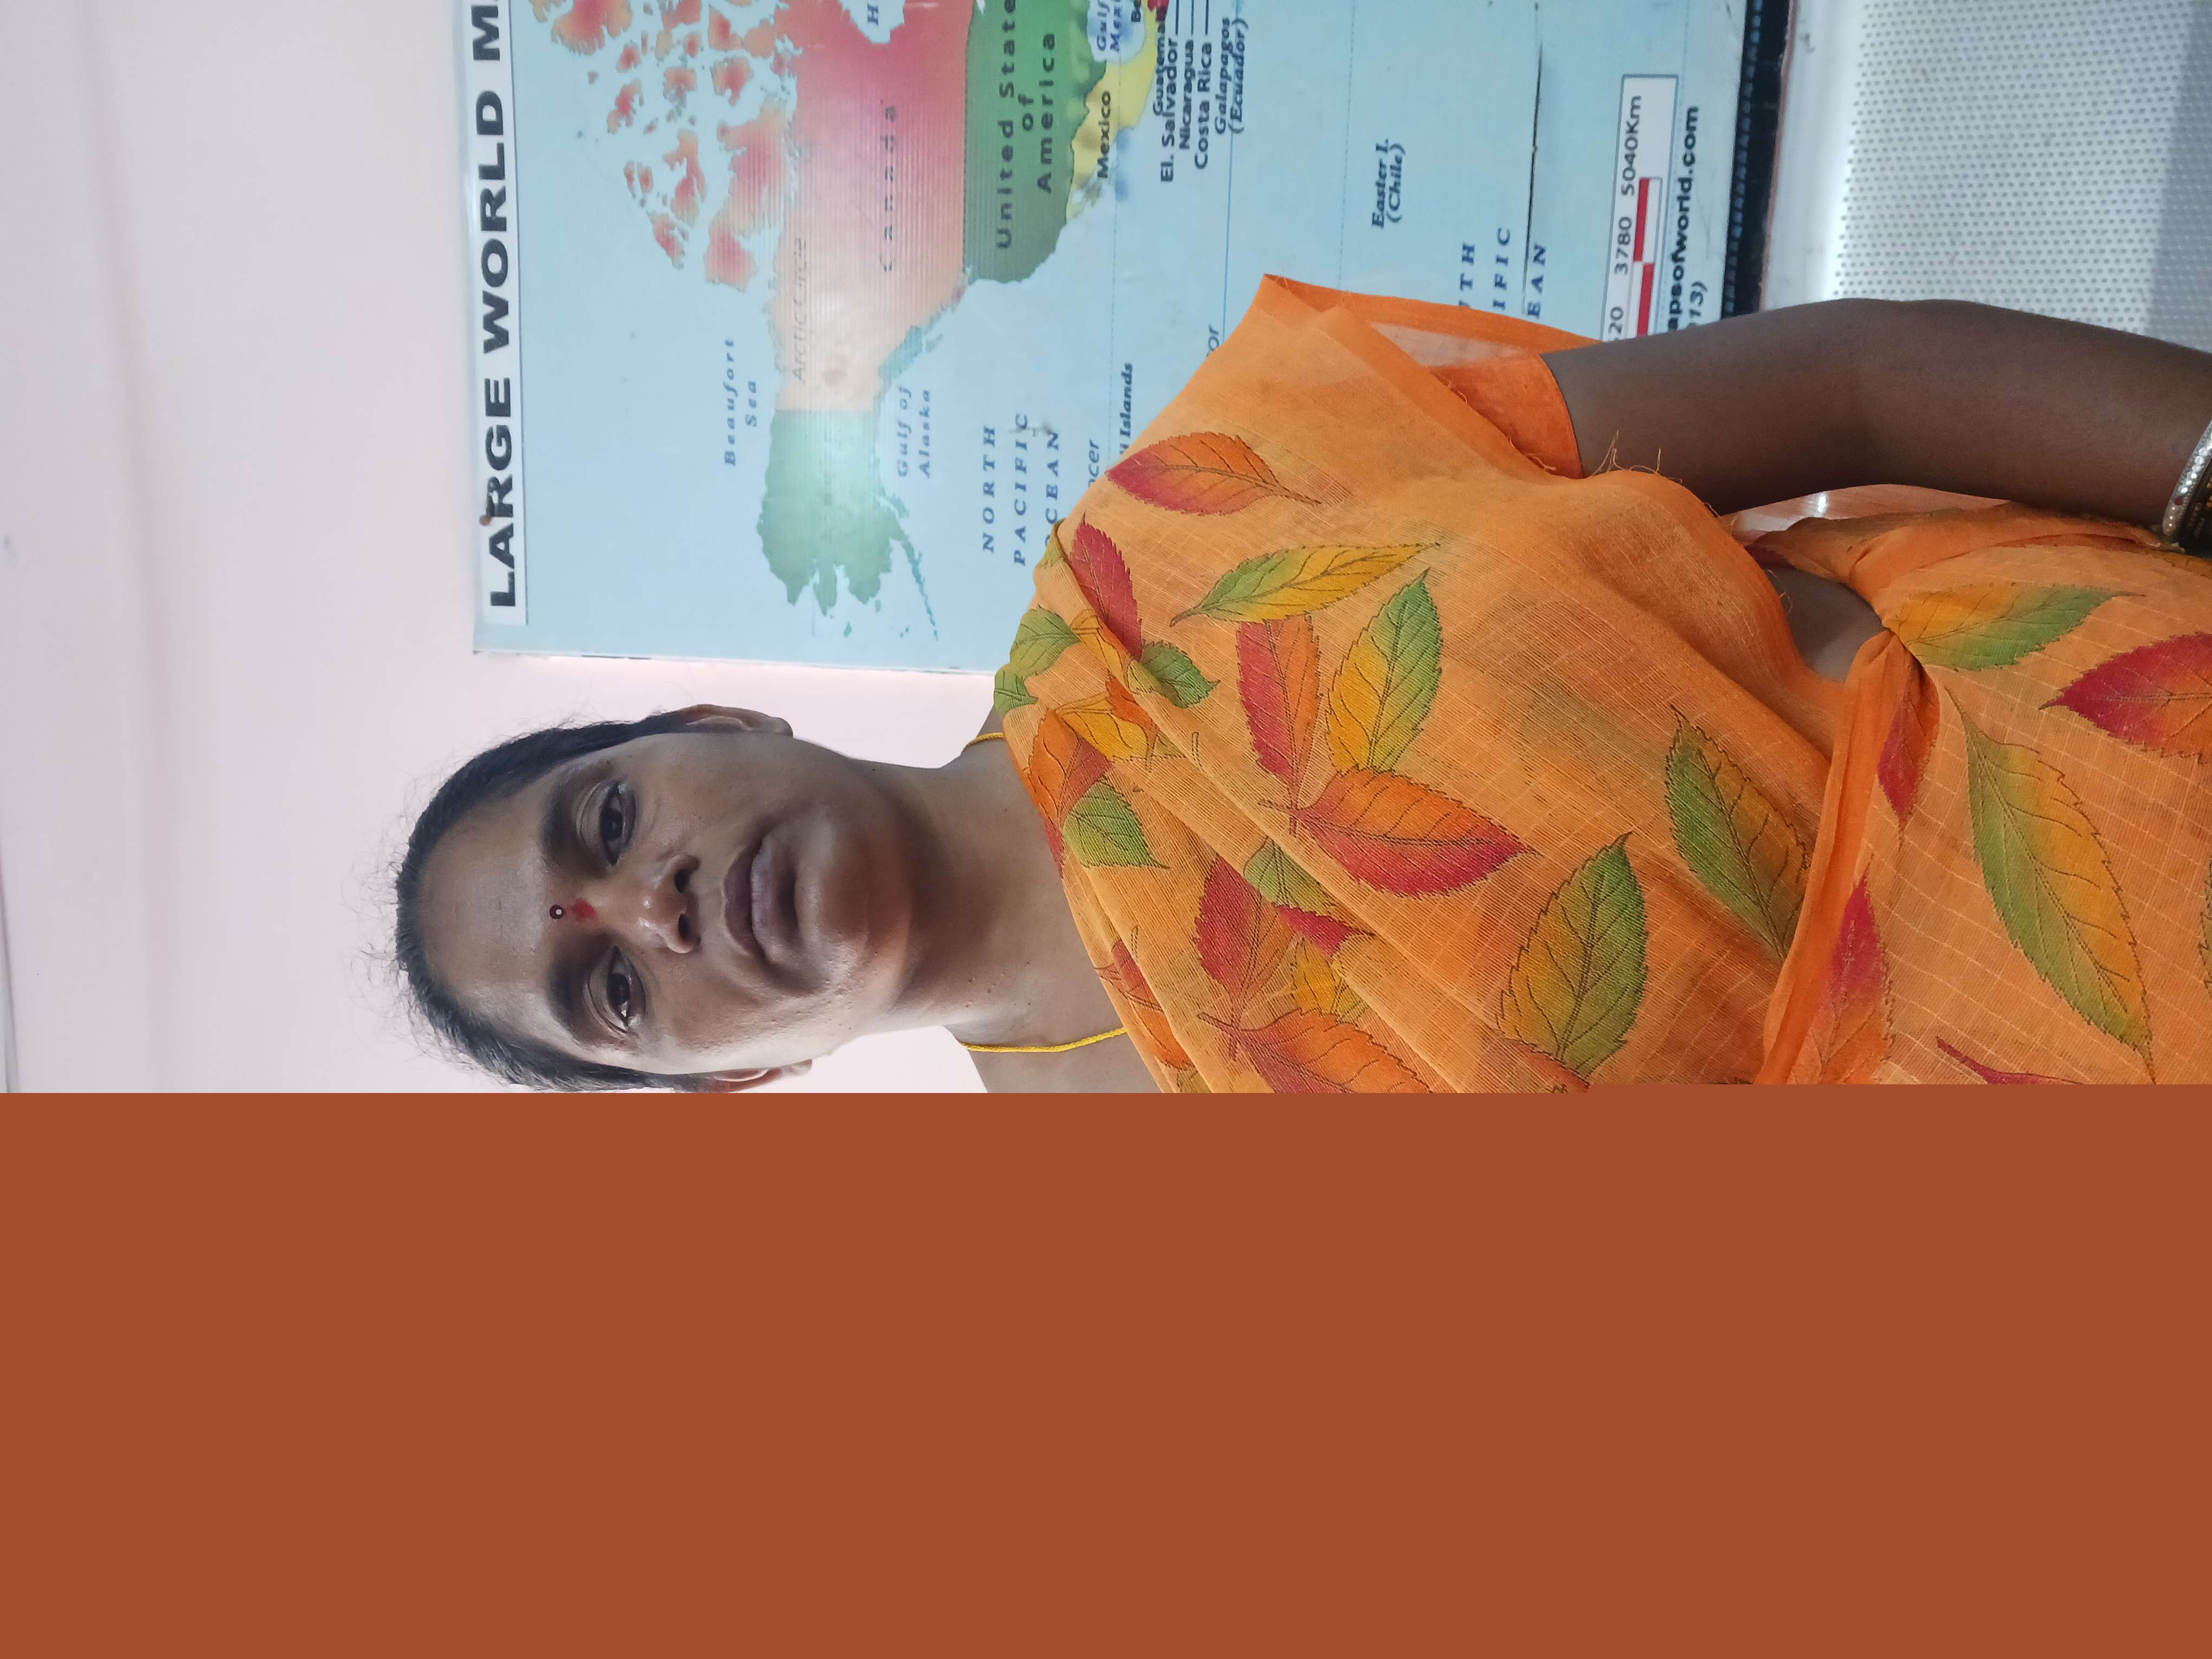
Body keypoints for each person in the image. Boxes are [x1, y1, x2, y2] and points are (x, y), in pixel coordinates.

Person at [395, 278, 2212, 1089]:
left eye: (607, 820)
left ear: (719, 724)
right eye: (609, 988)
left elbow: (1852, 384)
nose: (652, 905)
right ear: (731, 1085)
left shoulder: (1194, 508)